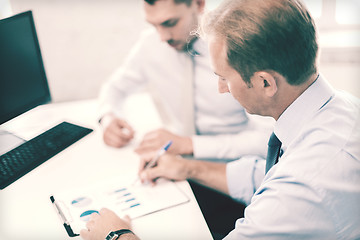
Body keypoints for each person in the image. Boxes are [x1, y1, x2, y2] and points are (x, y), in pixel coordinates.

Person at [81, 0, 360, 239]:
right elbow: (264, 175)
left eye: (224, 78)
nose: (221, 89)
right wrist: (188, 168)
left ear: (265, 83)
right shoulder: (340, 107)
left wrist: (116, 235)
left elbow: (286, 187)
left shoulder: (301, 188)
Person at [98, 0, 273, 161]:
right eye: (154, 25)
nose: (163, 37)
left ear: (198, 4)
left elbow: (266, 139)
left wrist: (189, 144)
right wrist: (108, 117)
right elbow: (115, 87)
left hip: (237, 169)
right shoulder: (150, 44)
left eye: (170, 23)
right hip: (177, 163)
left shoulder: (238, 46)